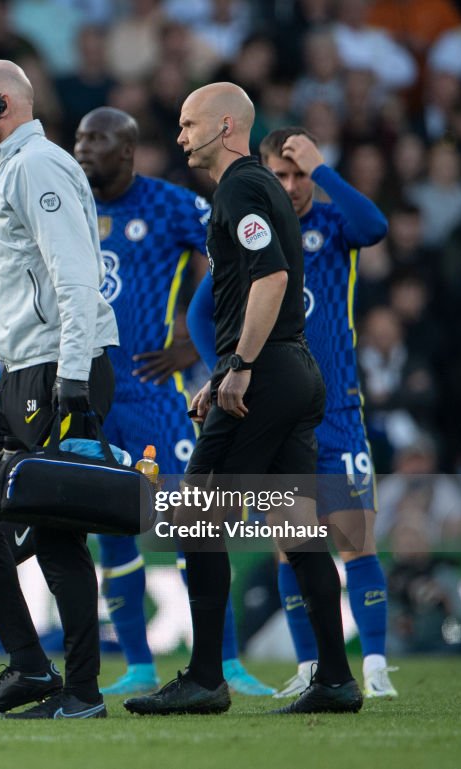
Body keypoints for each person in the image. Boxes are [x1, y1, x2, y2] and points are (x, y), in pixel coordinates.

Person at [124, 82, 362, 716]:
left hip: (271, 374)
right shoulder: (251, 188)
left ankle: (205, 678)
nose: (178, 137)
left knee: (194, 514)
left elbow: (272, 276)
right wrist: (230, 363)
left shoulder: (240, 187)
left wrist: (240, 366)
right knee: (302, 530)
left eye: (187, 124)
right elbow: (261, 285)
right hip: (290, 370)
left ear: (225, 126)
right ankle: (336, 679)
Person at [72, 106, 273, 698]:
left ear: (129, 150)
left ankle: (226, 662)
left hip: (154, 396)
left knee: (196, 522)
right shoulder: (66, 207)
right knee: (109, 532)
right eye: (80, 137)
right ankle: (137, 664)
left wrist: (194, 340)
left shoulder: (170, 204)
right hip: (89, 394)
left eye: (97, 138)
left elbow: (238, 259)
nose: (84, 148)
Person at [0, 59, 118, 719]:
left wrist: (73, 371)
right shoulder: (13, 170)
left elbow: (75, 274)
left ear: (3, 107)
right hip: (20, 373)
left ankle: (82, 692)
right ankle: (28, 665)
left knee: (55, 531)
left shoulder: (37, 167)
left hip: (57, 369)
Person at [246, 127, 396, 699]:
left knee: (356, 539)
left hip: (337, 411)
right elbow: (203, 312)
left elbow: (375, 227)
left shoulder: (333, 228)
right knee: (289, 542)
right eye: (280, 175)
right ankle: (310, 666)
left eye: (300, 174)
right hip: (277, 417)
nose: (292, 186)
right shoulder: (252, 237)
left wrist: (326, 168)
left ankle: (377, 666)